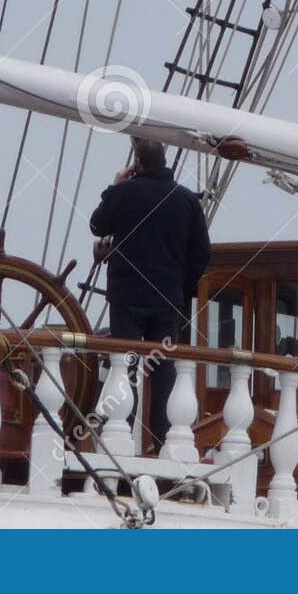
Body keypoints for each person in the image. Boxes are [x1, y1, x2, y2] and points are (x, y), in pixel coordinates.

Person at [88, 137, 211, 448]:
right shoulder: (186, 201)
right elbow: (202, 254)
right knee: (163, 372)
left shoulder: (124, 194)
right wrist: (182, 288)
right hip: (167, 301)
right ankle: (162, 442)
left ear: (138, 165)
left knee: (124, 367)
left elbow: (97, 224)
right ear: (165, 161)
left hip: (126, 298)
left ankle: (120, 436)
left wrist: (114, 187)